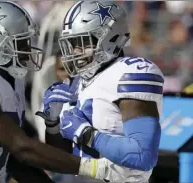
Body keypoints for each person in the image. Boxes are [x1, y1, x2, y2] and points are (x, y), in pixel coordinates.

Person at [0, 2, 104, 183]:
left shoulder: (11, 81)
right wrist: (95, 168)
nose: (28, 49)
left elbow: (13, 159)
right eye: (21, 42)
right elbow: (22, 148)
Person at [37, 1, 164, 182]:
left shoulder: (129, 74)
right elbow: (62, 157)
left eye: (83, 42)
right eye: (72, 43)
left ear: (110, 37)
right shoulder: (78, 82)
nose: (75, 51)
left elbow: (142, 156)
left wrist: (84, 132)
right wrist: (53, 126)